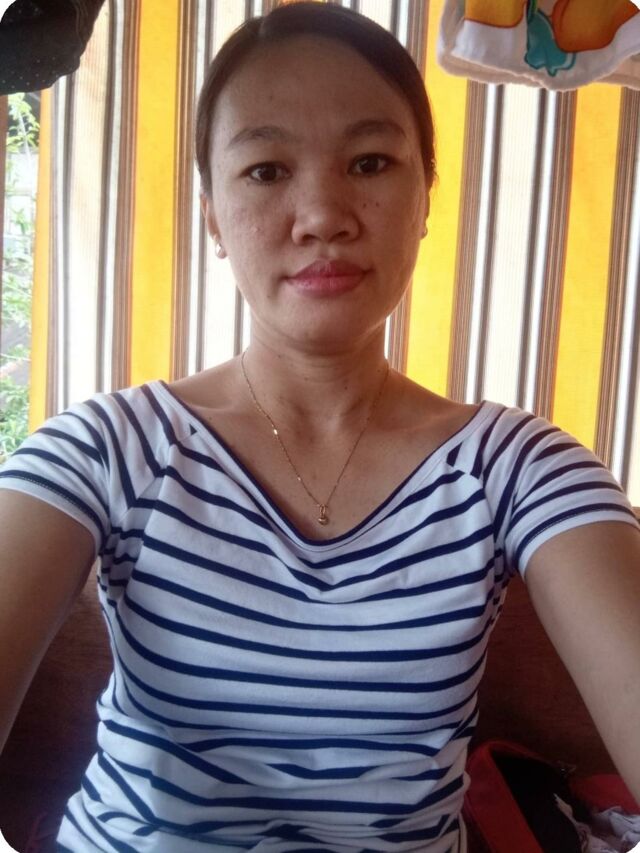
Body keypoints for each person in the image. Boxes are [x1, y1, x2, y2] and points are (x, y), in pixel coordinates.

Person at [1, 3, 639, 851]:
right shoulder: (105, 448)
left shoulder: (518, 468)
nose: (322, 215)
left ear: (424, 197)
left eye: (370, 162)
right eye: (266, 170)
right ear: (213, 215)